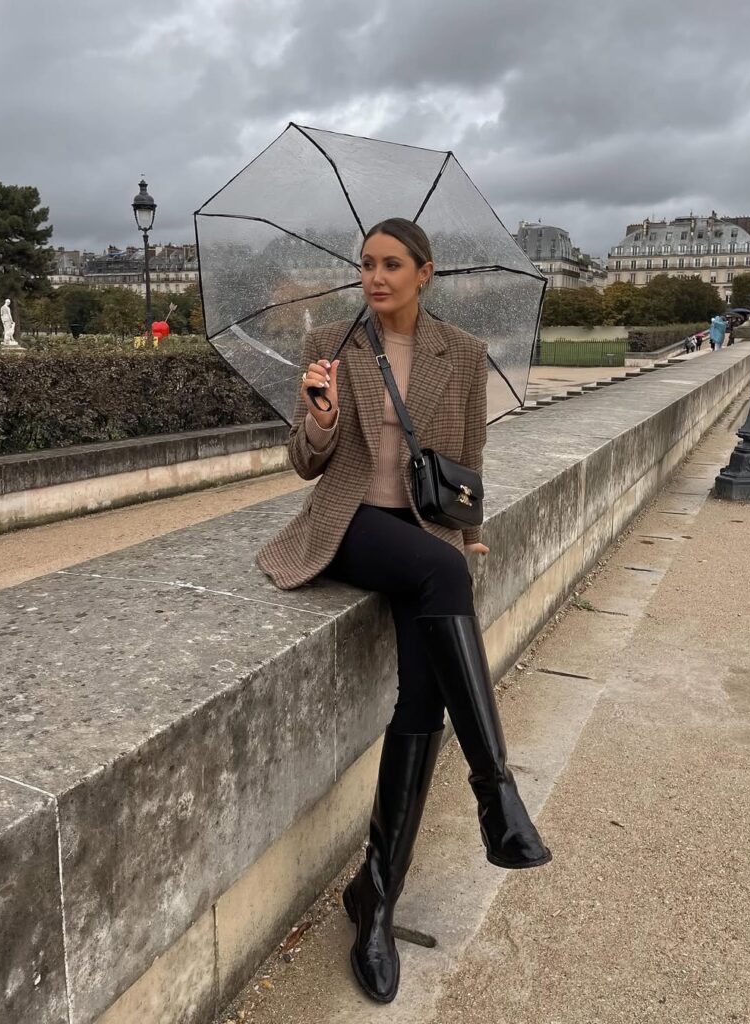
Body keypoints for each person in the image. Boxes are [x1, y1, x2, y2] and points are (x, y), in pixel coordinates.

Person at [257, 218, 550, 1003]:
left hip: (419, 529)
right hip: (348, 523)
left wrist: (470, 533)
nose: (375, 277)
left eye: (391, 265)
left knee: (422, 691)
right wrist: (318, 412)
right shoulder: (333, 339)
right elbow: (306, 463)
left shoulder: (462, 353)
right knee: (437, 574)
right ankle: (496, 791)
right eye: (366, 264)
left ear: (426, 272)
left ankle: (376, 896)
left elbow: (469, 460)